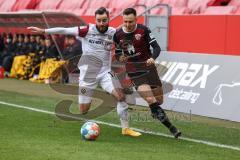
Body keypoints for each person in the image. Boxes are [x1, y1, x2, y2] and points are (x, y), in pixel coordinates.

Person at [27, 7, 141, 137]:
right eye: (99, 20)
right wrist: (44, 31)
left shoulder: (113, 32)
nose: (102, 23)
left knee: (121, 96)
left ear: (108, 19)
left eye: (104, 20)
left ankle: (125, 129)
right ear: (95, 20)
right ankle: (90, 97)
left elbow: (127, 41)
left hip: (105, 73)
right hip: (88, 77)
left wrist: (126, 47)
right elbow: (64, 30)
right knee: (83, 111)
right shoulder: (86, 30)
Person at [113, 8, 181, 138]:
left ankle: (155, 110)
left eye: (130, 22)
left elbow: (156, 47)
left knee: (159, 101)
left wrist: (152, 58)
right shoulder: (117, 34)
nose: (127, 24)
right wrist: (120, 58)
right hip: (134, 71)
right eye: (125, 21)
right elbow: (117, 53)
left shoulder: (144, 30)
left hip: (149, 68)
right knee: (150, 99)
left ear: (136, 19)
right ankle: (172, 128)